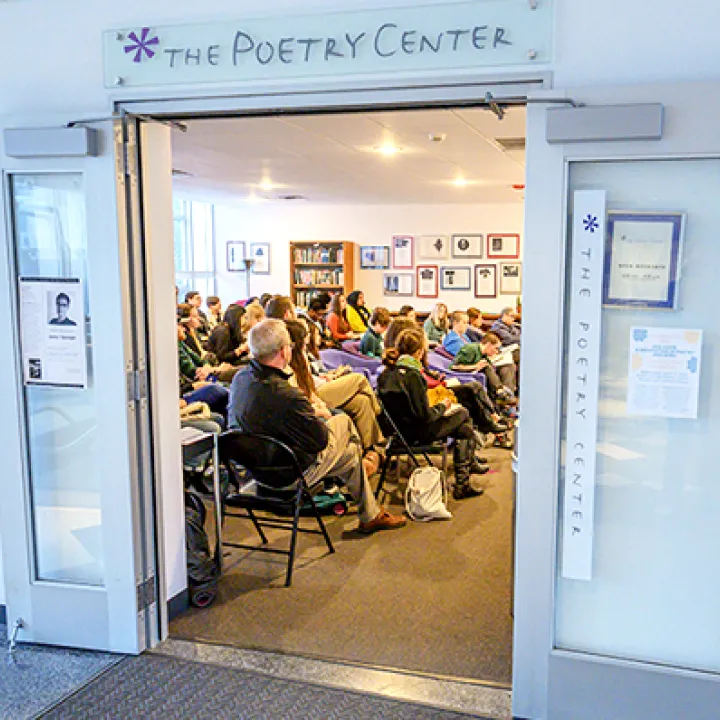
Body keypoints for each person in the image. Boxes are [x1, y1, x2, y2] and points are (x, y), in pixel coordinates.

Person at [229, 319, 405, 534]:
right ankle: (371, 455)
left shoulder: (240, 379)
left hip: (254, 473)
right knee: (343, 422)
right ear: (284, 352)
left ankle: (370, 515)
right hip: (289, 476)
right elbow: (320, 441)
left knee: (349, 455)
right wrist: (322, 415)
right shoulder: (287, 394)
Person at [377, 328, 485, 500]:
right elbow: (425, 417)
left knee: (463, 425)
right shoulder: (413, 376)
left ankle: (467, 471)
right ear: (419, 352)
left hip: (398, 433)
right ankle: (463, 480)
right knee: (463, 413)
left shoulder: (385, 374)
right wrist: (443, 406)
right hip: (418, 433)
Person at [286, 320, 385, 452]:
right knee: (359, 379)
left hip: (319, 389)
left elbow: (312, 379)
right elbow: (306, 388)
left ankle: (372, 449)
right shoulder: (290, 361)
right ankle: (379, 411)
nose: (310, 337)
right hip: (316, 395)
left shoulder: (304, 355)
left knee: (362, 402)